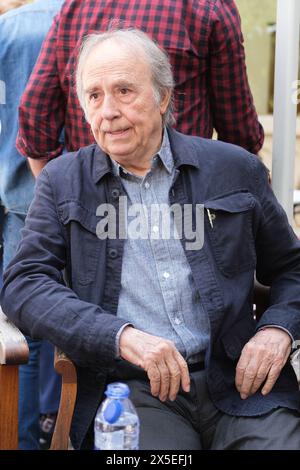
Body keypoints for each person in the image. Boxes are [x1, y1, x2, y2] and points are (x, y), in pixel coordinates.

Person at [2, 29, 300, 450]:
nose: (108, 111)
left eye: (124, 91)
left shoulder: (234, 169)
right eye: (94, 96)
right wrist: (121, 336)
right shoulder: (63, 182)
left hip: (240, 385)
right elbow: (23, 283)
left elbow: (292, 267)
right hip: (133, 391)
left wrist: (278, 330)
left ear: (163, 97)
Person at [16, 0, 264, 179]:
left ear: (165, 97)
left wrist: (64, 195)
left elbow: (36, 113)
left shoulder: (75, 6)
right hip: (183, 200)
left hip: (94, 204)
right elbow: (239, 132)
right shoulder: (206, 6)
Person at [0, 0, 63, 449]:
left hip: (16, 198)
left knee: (20, 324)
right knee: (68, 321)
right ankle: (54, 429)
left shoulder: (8, 28)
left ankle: (24, 438)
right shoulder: (91, 18)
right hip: (78, 196)